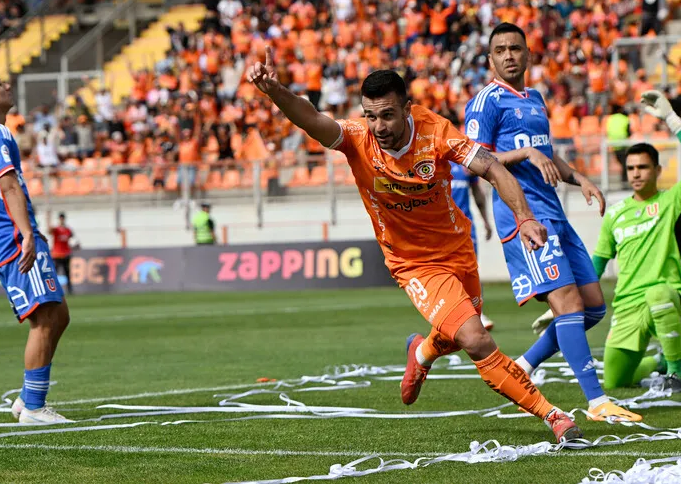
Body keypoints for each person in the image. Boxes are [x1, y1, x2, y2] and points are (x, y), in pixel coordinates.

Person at [247, 47, 583, 444]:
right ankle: (555, 416)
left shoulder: (436, 131)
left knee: (456, 334)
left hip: (457, 248)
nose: (378, 126)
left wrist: (525, 216)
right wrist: (276, 92)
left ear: (407, 108)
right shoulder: (357, 138)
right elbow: (312, 119)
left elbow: (491, 168)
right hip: (413, 262)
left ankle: (421, 353)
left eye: (387, 115)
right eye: (370, 115)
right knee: (474, 338)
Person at [464, 23, 641, 422]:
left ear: (528, 54)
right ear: (490, 59)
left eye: (515, 48)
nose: (508, 55)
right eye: (500, 50)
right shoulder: (485, 102)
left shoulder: (536, 98)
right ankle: (597, 402)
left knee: (594, 307)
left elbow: (546, 155)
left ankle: (523, 366)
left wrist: (579, 178)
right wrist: (524, 153)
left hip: (555, 213)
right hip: (523, 217)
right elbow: (475, 161)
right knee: (569, 304)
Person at [0, 68, 70, 424]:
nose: (7, 86)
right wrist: (27, 234)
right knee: (45, 318)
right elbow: (8, 187)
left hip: (7, 231)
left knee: (58, 314)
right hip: (10, 233)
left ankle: (25, 399)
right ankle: (34, 408)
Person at [594, 91, 681, 393]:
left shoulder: (673, 201)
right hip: (628, 304)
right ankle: (657, 361)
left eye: (642, 167)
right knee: (616, 380)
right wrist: (563, 302)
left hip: (668, 296)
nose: (636, 174)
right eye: (630, 168)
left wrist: (671, 117)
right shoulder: (615, 213)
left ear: (657, 170)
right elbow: (597, 266)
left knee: (658, 295)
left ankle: (675, 373)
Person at [447, 114, 496, 331]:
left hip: (465, 227)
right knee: (447, 273)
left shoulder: (463, 162)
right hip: (440, 230)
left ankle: (479, 313)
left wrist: (486, 221)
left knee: (470, 270)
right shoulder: (430, 162)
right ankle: (452, 316)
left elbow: (477, 193)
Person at [48, 212, 78, 295]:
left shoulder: (68, 230)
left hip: (66, 254)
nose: (62, 220)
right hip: (57, 254)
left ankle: (70, 291)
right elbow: (49, 231)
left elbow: (72, 239)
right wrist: (48, 217)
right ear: (59, 219)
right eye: (60, 218)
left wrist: (75, 246)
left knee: (67, 273)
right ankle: (54, 290)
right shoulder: (56, 229)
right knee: (55, 273)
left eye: (63, 218)